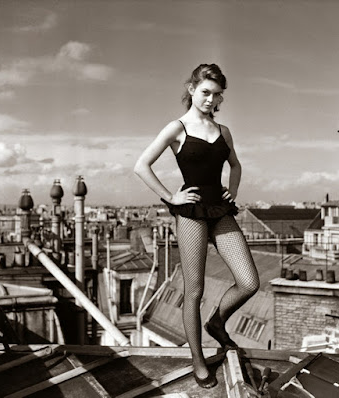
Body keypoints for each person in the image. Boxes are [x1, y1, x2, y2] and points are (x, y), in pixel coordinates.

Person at [134, 64, 259, 389]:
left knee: (249, 282)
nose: (211, 99)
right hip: (189, 213)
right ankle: (198, 361)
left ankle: (216, 322)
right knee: (195, 291)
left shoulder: (224, 130)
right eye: (206, 92)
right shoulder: (177, 128)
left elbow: (235, 163)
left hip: (220, 209)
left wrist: (234, 188)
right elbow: (141, 165)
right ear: (192, 89)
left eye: (217, 94)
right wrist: (169, 197)